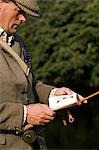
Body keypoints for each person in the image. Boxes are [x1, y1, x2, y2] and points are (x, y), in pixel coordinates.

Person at [0, 0, 84, 149]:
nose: (23, 19)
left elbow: (28, 84)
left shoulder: (18, 42)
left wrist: (54, 95)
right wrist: (24, 114)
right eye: (19, 11)